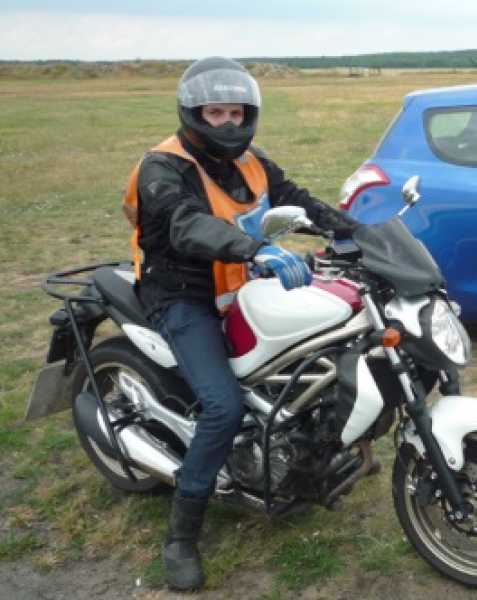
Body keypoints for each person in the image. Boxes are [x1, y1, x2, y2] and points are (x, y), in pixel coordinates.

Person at [122, 56, 359, 591]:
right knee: (224, 407)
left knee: (320, 354)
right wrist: (257, 248)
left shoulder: (253, 162)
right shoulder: (163, 167)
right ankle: (181, 536)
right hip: (182, 295)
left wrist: (352, 229)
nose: (228, 123)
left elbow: (294, 199)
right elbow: (186, 225)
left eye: (236, 113)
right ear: (193, 113)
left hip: (244, 283)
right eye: (216, 113)